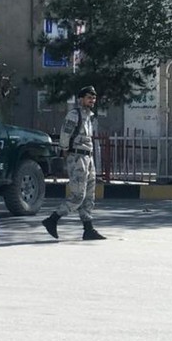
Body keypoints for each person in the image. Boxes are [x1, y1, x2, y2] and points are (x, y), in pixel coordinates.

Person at [41, 85, 106, 241]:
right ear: (81, 99)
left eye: (94, 98)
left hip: (88, 158)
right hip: (77, 157)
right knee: (78, 195)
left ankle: (88, 229)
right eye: (89, 97)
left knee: (89, 195)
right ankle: (52, 219)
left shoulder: (90, 117)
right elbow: (65, 133)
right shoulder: (74, 114)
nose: (92, 101)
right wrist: (65, 152)